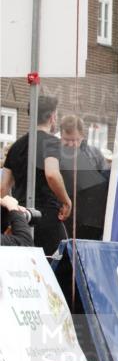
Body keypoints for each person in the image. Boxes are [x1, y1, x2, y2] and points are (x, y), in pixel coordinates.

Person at [1, 94, 71, 254]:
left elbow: (3, 188)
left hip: (22, 218)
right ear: (53, 116)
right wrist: (66, 201)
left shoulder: (16, 146)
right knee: (59, 266)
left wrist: (9, 220)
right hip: (47, 216)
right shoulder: (51, 142)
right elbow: (52, 174)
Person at [59, 114, 109, 240]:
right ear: (60, 136)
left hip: (91, 219)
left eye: (74, 140)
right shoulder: (54, 155)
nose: (70, 144)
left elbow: (105, 183)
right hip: (65, 215)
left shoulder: (95, 155)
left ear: (82, 136)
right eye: (66, 140)